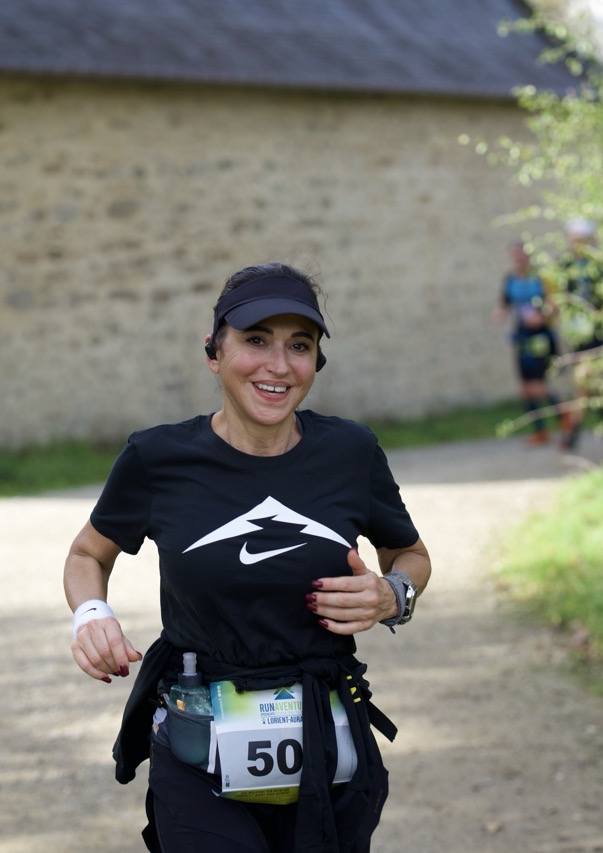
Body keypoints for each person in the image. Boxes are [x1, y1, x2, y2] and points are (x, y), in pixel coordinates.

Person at [63, 261, 432, 853]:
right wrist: (91, 614)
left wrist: (393, 595)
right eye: (256, 341)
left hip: (327, 735)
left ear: (316, 362)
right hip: (197, 733)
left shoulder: (351, 452)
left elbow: (408, 554)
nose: (278, 365)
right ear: (214, 353)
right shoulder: (158, 458)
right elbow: (88, 553)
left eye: (299, 346)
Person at [492, 240, 572, 446]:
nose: (518, 259)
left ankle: (564, 413)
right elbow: (505, 302)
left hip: (541, 336)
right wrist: (500, 312)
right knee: (525, 388)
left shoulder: (541, 278)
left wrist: (542, 317)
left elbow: (555, 305)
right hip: (522, 336)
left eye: (521, 255)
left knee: (537, 385)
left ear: (529, 257)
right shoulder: (510, 279)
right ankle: (540, 430)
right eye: (515, 256)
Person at [556, 218, 603, 449]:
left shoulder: (598, 265)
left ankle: (576, 430)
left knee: (586, 378)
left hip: (596, 330)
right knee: (588, 378)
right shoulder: (565, 265)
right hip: (577, 332)